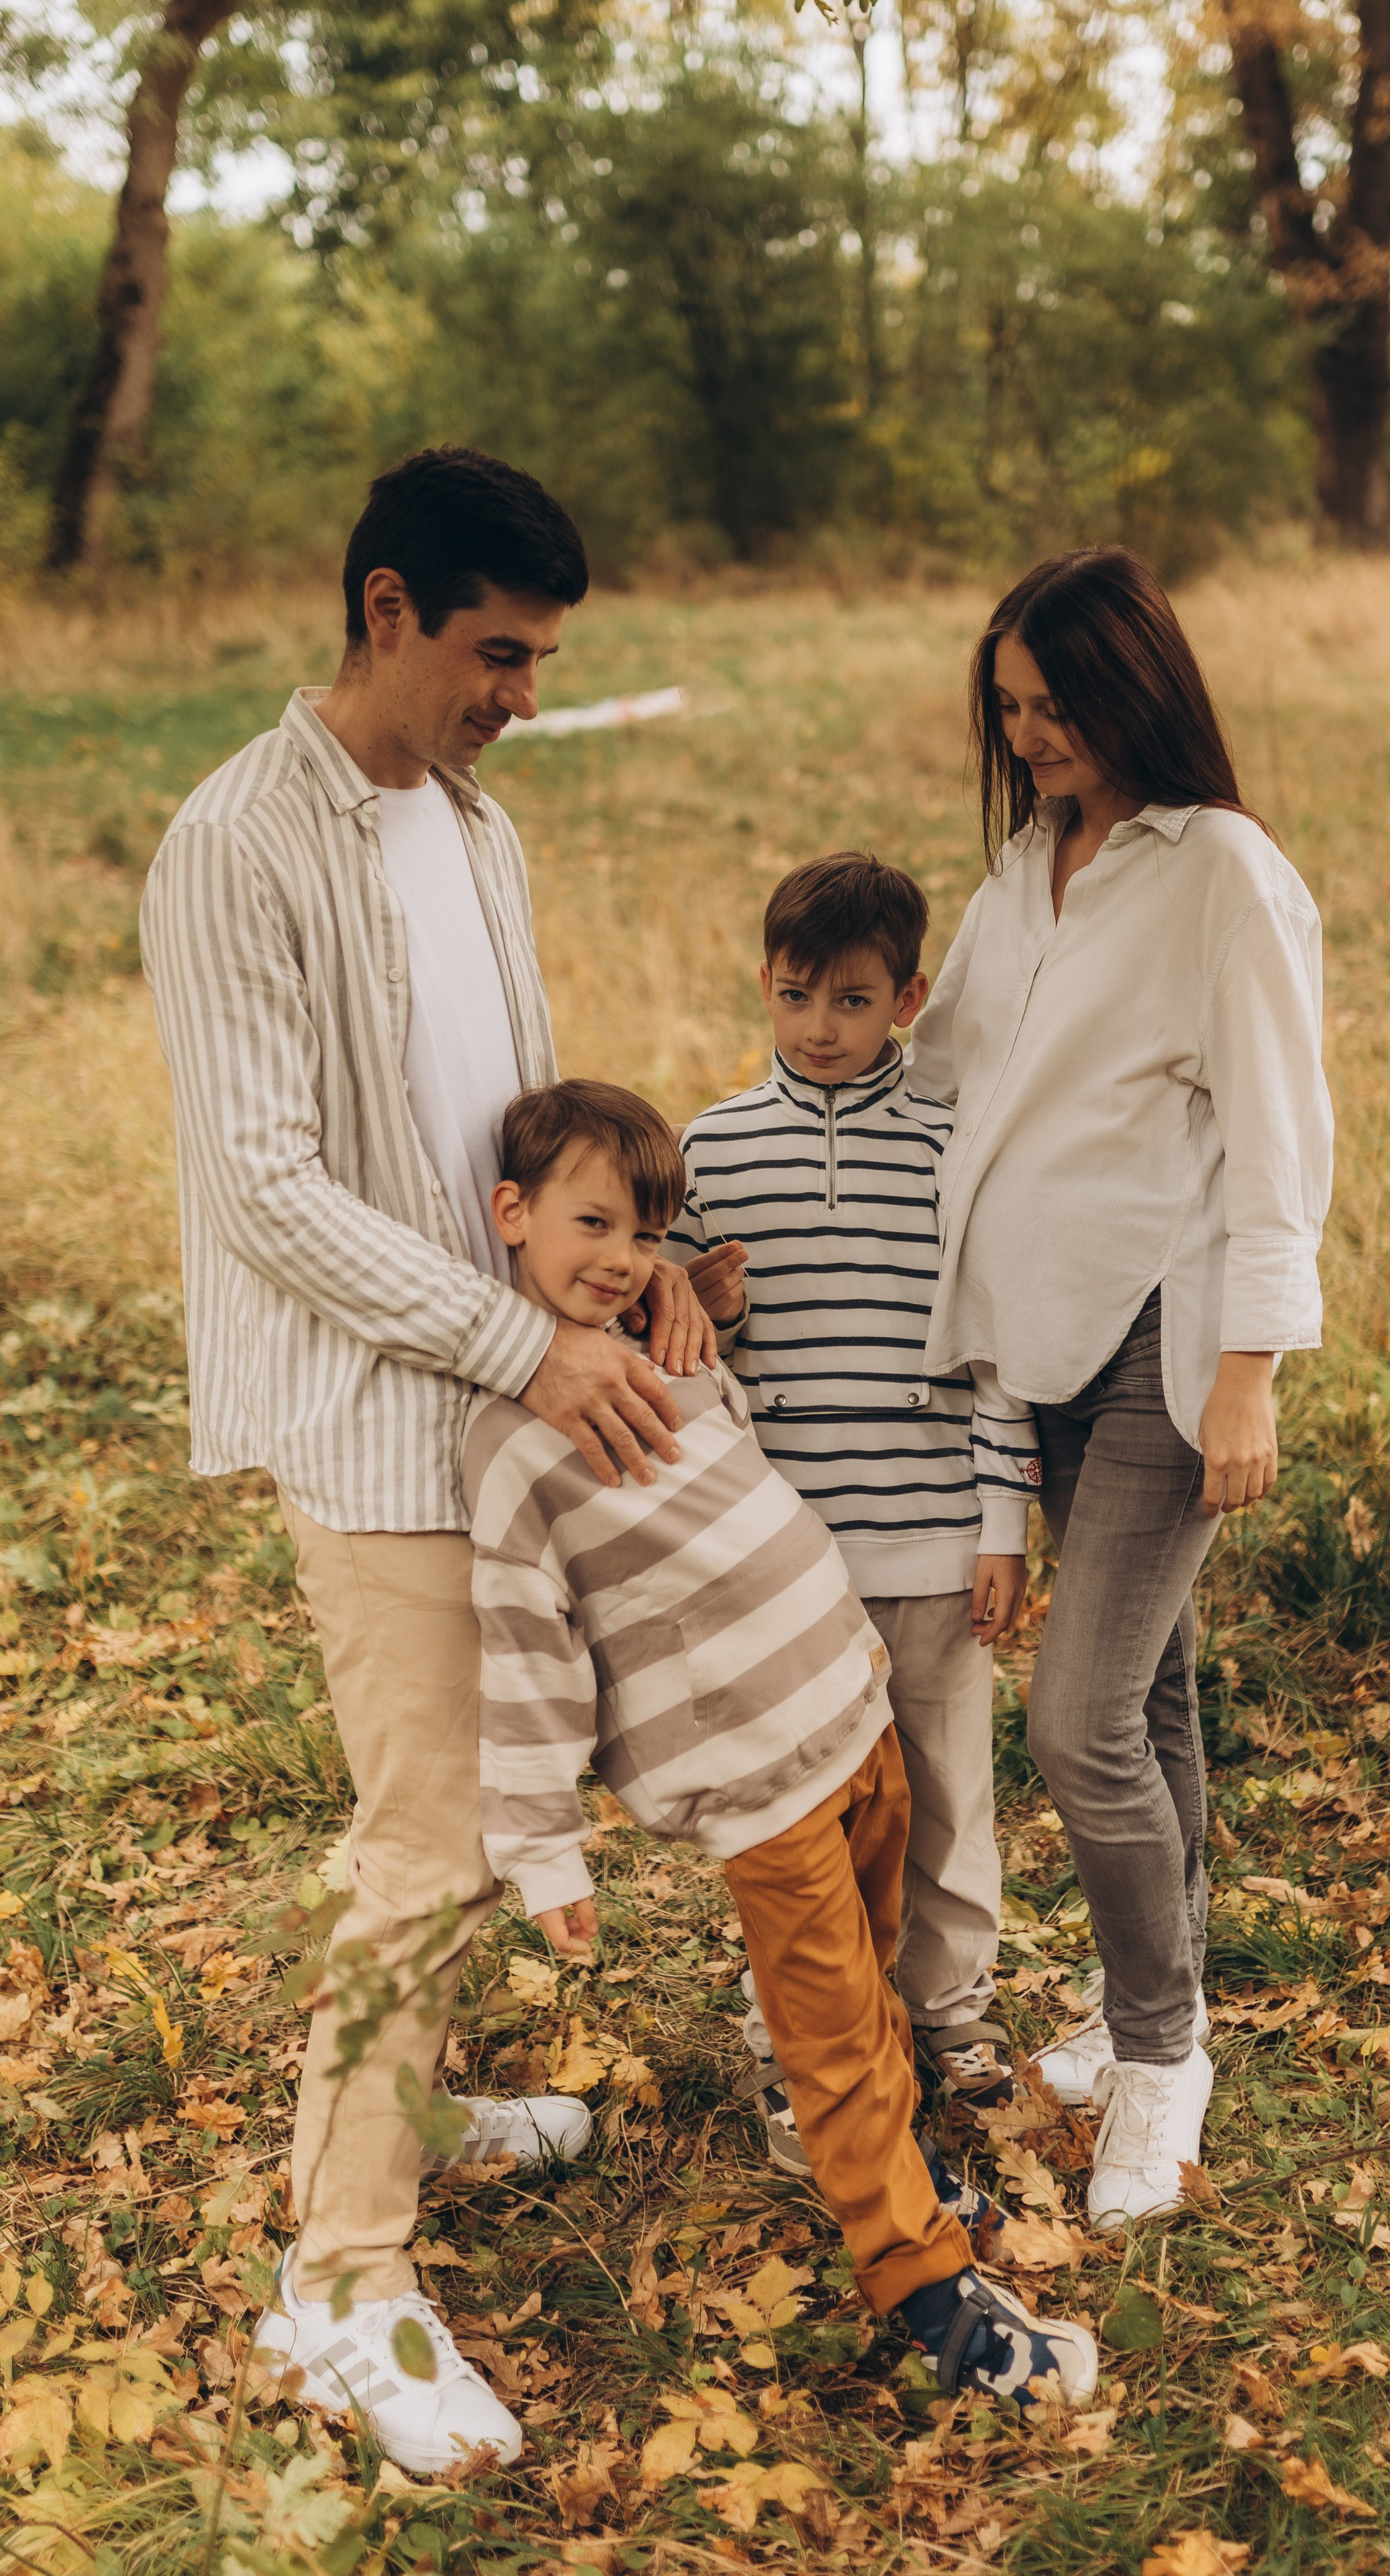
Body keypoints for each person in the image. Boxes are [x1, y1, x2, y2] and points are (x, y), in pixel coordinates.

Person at [141, 447, 714, 2479]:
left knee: (480, 1800)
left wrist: (646, 1268)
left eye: (544, 661)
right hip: (385, 1417)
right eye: (498, 653)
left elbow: (527, 1122)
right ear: (387, 609)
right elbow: (269, 1189)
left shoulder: (478, 829)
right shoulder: (236, 844)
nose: (524, 698)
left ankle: (411, 2102)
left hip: (515, 1390)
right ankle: (346, 2273)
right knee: (433, 1833)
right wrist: (521, 1346)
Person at [464, 1076, 1100, 2414]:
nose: (619, 1258)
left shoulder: (655, 1344)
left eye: (641, 1235)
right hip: (752, 1775)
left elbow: (731, 1459)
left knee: (873, 1988)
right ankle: (927, 2291)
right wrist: (540, 1848)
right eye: (590, 1225)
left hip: (849, 1713)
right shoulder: (514, 1444)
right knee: (830, 2031)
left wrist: (697, 1303)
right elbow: (523, 1653)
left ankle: (906, 2178)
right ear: (508, 1214)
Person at [906, 547, 1334, 2235]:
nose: (1028, 740)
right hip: (1044, 1344)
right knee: (1146, 1697)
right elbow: (939, 1063)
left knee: (1076, 1721)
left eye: (1054, 708)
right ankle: (1146, 2007)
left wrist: (1249, 1373)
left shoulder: (1220, 871)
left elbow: (1278, 1137)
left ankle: (1160, 2059)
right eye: (1007, 713)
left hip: (1170, 1342)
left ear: (1134, 688)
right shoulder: (1029, 866)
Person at [666, 855, 1040, 2164]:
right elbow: (667, 1356)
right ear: (762, 989)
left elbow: (998, 1351)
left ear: (909, 998)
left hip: (935, 1540)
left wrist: (1002, 1525)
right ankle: (807, 2037)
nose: (819, 1027)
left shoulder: (954, 1149)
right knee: (804, 1811)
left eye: (852, 999)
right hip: (782, 1562)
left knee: (943, 1792)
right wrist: (703, 1314)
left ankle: (952, 2009)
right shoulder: (706, 1153)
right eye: (793, 996)